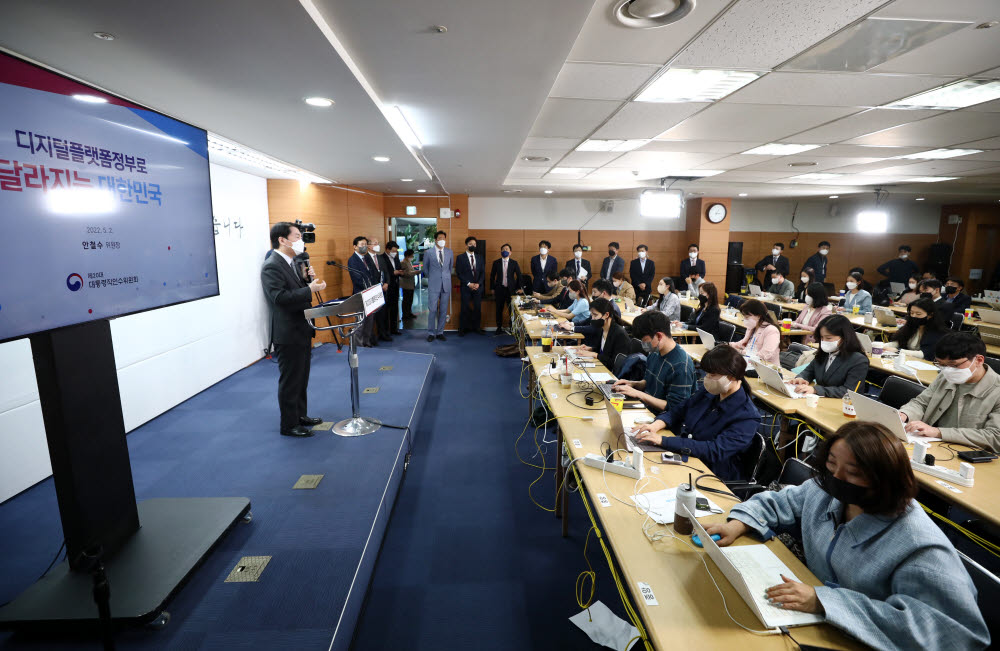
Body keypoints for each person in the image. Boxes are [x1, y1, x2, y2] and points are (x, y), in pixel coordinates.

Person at [705, 421, 989, 650]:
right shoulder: (826, 491)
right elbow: (782, 501)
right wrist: (739, 524)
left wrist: (825, 601)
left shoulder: (921, 548)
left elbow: (953, 635)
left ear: (884, 479)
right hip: (811, 620)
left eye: (852, 472)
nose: (836, 477)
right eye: (830, 465)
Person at [634, 345, 759, 481]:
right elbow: (679, 410)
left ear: (732, 377)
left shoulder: (747, 416)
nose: (707, 378)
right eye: (707, 373)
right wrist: (656, 425)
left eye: (713, 375)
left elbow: (714, 451)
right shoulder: (711, 392)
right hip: (687, 455)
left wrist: (663, 441)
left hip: (711, 473)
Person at [261, 222, 327, 438]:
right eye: (298, 236)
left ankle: (301, 415)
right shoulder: (272, 265)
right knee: (290, 380)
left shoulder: (292, 262)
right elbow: (279, 298)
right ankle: (288, 425)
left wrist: (307, 280)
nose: (302, 241)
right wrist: (309, 290)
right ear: (282, 239)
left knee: (302, 377)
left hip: (301, 328)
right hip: (288, 332)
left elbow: (295, 291)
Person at [902, 332, 1000, 452]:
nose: (947, 370)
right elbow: (922, 403)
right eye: (941, 364)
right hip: (931, 445)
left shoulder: (996, 391)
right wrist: (904, 414)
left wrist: (939, 432)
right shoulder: (945, 376)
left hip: (964, 453)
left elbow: (995, 436)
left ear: (978, 360)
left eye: (953, 365)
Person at [612, 311, 696, 412]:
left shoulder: (681, 365)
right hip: (647, 410)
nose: (643, 344)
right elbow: (649, 382)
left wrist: (638, 393)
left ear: (659, 336)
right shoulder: (654, 352)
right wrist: (633, 384)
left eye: (645, 340)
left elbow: (676, 407)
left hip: (664, 421)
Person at [790, 315, 869, 398]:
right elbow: (809, 371)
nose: (824, 341)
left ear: (844, 337)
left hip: (843, 405)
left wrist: (816, 390)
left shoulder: (858, 360)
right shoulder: (825, 352)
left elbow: (849, 391)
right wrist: (801, 379)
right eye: (821, 337)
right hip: (821, 400)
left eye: (828, 338)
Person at [569, 297, 632, 369]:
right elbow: (603, 351)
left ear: (606, 315)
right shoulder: (601, 328)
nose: (592, 319)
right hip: (602, 366)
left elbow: (615, 362)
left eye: (595, 315)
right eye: (591, 315)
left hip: (612, 373)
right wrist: (590, 349)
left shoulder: (619, 334)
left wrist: (594, 354)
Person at [884, 298, 949, 360]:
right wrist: (881, 346)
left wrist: (898, 351)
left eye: (918, 314)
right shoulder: (911, 326)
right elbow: (898, 342)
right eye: (911, 313)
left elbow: (924, 354)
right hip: (907, 360)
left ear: (930, 315)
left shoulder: (937, 332)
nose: (914, 316)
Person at [348, 235, 378, 347]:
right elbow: (357, 279)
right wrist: (369, 287)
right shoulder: (352, 260)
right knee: (360, 323)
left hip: (371, 294)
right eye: (362, 245)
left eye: (365, 245)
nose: (364, 247)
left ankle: (367, 341)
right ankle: (359, 345)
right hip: (360, 294)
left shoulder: (367, 258)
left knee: (370, 321)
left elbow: (373, 274)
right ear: (355, 247)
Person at [732, 299, 782, 365]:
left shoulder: (771, 330)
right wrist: (728, 345)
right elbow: (742, 344)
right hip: (750, 363)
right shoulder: (752, 327)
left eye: (747, 317)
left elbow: (765, 355)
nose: (745, 320)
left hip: (765, 367)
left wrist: (741, 352)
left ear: (759, 316)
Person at [426, 230, 453, 342]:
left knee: (443, 310)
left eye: (443, 238)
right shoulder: (429, 252)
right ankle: (431, 333)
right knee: (432, 310)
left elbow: (450, 268)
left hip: (446, 284)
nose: (442, 240)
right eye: (440, 238)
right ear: (436, 240)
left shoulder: (449, 252)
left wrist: (445, 277)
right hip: (433, 284)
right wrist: (433, 278)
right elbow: (425, 269)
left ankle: (440, 332)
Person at [455, 235, 485, 336]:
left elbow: (483, 273)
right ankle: (463, 329)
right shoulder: (460, 257)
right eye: (470, 244)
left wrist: (478, 284)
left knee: (477, 308)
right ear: (466, 245)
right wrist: (469, 283)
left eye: (474, 244)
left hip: (478, 287)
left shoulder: (480, 257)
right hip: (466, 287)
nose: (472, 245)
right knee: (464, 308)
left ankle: (477, 328)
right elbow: (459, 273)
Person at [490, 242, 522, 334]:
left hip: (511, 290)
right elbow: (492, 276)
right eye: (503, 249)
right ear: (501, 251)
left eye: (507, 249)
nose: (505, 251)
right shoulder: (496, 263)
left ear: (510, 252)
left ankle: (512, 327)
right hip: (499, 289)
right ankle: (499, 327)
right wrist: (492, 288)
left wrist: (520, 288)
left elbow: (519, 276)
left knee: (512, 310)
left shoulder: (514, 263)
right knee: (498, 309)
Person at [367, 237, 392, 342]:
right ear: (368, 246)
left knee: (382, 314)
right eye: (375, 243)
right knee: (372, 316)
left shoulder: (380, 257)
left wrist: (387, 283)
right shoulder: (365, 258)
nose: (377, 245)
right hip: (372, 290)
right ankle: (372, 338)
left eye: (378, 243)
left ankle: (383, 334)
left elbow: (386, 272)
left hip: (382, 289)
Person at [380, 242, 403, 336]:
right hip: (386, 287)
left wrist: (400, 272)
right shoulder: (381, 258)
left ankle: (394, 329)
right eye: (393, 251)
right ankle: (385, 331)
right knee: (385, 310)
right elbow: (383, 272)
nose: (395, 253)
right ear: (387, 249)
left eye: (396, 251)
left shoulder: (396, 258)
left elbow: (399, 268)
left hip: (396, 286)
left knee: (394, 309)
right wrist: (393, 273)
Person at [400, 248, 419, 321]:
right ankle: (405, 315)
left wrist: (414, 272)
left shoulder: (408, 262)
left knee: (410, 299)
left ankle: (409, 313)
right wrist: (416, 272)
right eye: (412, 255)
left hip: (410, 284)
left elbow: (410, 271)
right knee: (406, 300)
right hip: (406, 284)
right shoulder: (403, 262)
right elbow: (406, 273)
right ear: (408, 256)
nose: (413, 257)